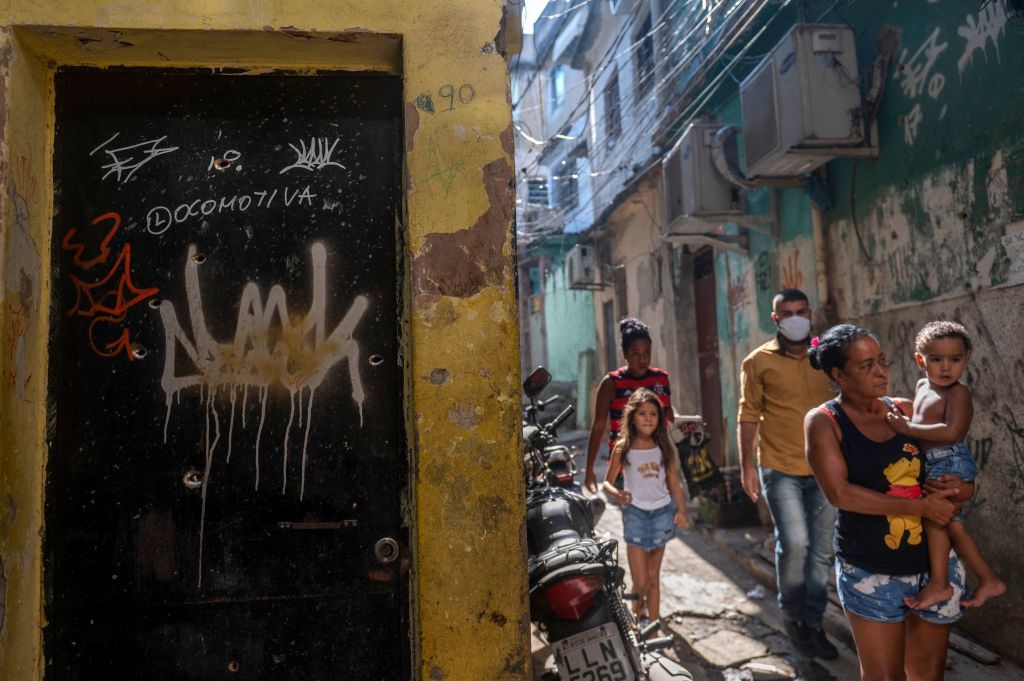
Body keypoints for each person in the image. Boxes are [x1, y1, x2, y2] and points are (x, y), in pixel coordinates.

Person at [805, 324, 966, 681]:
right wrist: (921, 508)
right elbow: (840, 494)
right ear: (839, 375)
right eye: (866, 366)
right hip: (871, 569)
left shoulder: (905, 412)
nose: (881, 372)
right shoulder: (824, 423)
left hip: (932, 566)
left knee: (927, 674)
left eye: (882, 361)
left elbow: (944, 469)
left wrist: (957, 486)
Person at [737, 289, 838, 658]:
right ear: (775, 318)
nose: (795, 317)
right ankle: (793, 618)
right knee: (795, 544)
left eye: (801, 311)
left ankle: (813, 623)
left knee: (821, 552)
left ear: (810, 314)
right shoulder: (757, 361)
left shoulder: (826, 357)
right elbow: (748, 414)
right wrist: (747, 465)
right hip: (780, 468)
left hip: (827, 470)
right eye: (787, 313)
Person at [884, 321, 1007, 610]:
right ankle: (989, 579)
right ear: (920, 360)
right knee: (954, 528)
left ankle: (939, 584)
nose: (946, 367)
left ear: (966, 360)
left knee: (934, 519)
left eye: (955, 359)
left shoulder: (958, 393)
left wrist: (908, 428)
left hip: (949, 460)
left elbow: (952, 433)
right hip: (931, 463)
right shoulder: (922, 385)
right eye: (936, 359)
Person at [602, 388, 690, 625]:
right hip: (636, 516)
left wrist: (681, 510)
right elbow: (606, 484)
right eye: (642, 413)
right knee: (640, 580)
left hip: (662, 514)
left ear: (659, 419)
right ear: (633, 417)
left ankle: (654, 624)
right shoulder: (624, 446)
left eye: (653, 414)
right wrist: (618, 494)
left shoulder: (664, 446)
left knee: (653, 577)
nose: (649, 418)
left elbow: (674, 482)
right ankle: (635, 623)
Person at [585, 317, 671, 494]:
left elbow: (666, 416)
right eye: (635, 354)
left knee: (658, 511)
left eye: (646, 352)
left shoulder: (661, 379)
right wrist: (589, 469)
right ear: (624, 353)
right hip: (623, 462)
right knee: (633, 515)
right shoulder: (611, 383)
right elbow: (599, 426)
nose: (642, 359)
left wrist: (684, 426)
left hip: (655, 459)